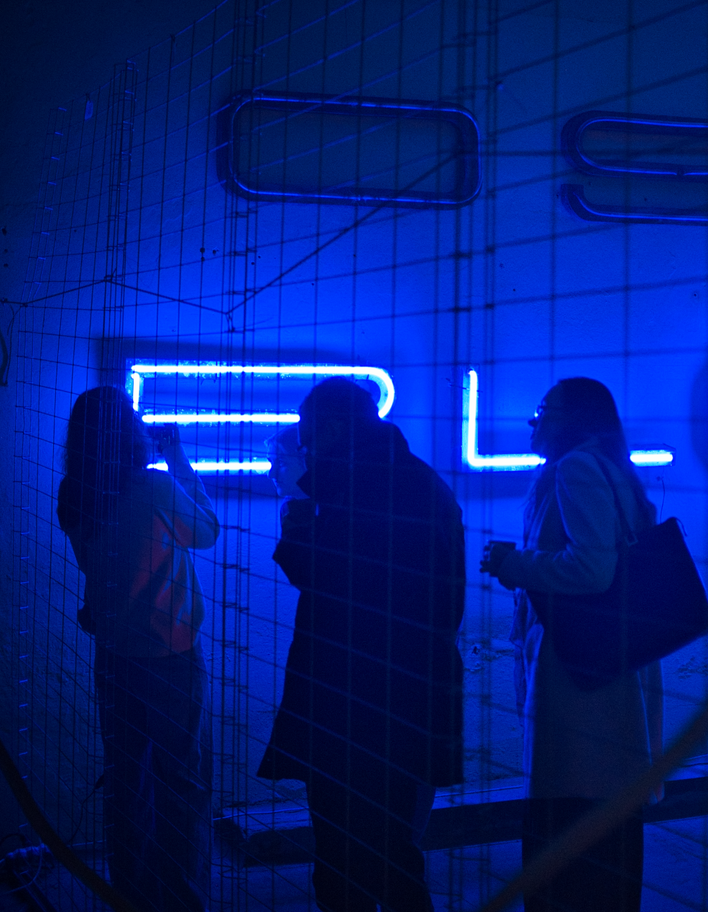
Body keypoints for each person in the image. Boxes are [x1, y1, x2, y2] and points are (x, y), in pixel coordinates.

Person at [259, 378, 465, 912]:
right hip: (407, 695)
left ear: (331, 429)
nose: (304, 452)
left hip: (351, 701)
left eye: (307, 440)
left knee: (346, 854)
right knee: (392, 849)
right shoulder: (420, 481)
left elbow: (322, 577)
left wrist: (296, 507)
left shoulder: (354, 491)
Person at [481, 377, 663, 912]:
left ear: (577, 419)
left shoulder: (575, 468)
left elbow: (592, 568)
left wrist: (513, 564)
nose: (533, 421)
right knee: (607, 841)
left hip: (579, 682)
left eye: (545, 410)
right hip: (608, 674)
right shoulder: (610, 468)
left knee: (566, 835)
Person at [57, 386, 218, 912]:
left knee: (128, 783)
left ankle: (130, 896)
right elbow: (208, 531)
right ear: (127, 430)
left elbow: (99, 566)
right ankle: (184, 901)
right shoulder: (153, 486)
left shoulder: (75, 494)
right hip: (170, 656)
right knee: (183, 785)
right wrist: (177, 457)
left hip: (114, 655)